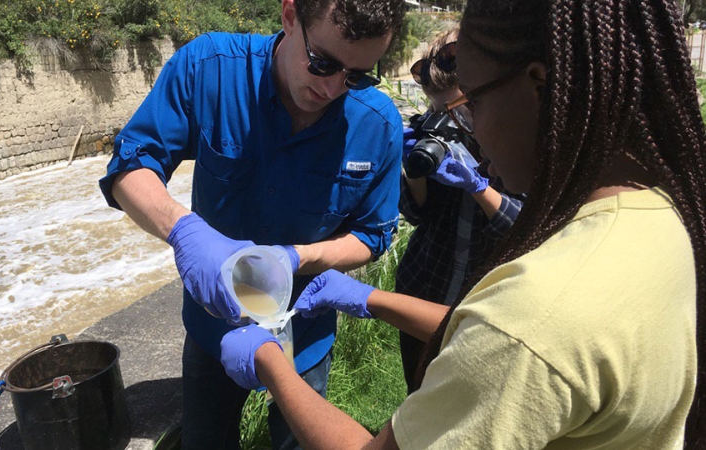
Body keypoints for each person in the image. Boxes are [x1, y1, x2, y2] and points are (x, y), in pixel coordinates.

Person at [218, 0, 706, 448]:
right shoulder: (664, 213)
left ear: (539, 86)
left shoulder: (535, 317)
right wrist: (368, 296)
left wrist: (272, 363)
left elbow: (510, 337)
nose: (465, 125)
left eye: (471, 101)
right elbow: (484, 332)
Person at [98, 0, 406, 448]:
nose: (335, 87)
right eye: (323, 63)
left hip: (304, 332)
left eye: (356, 75)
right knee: (206, 440)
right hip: (213, 327)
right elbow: (129, 165)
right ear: (288, 15)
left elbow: (374, 234)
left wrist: (299, 258)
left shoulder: (378, 125)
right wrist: (183, 230)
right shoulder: (209, 68)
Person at [396, 29, 523, 394]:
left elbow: (526, 229)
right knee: (418, 392)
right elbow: (416, 215)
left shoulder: (519, 143)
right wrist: (414, 169)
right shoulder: (442, 135)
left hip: (485, 306)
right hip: (425, 287)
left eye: (457, 110)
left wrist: (479, 187)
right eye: (437, 111)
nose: (449, 123)